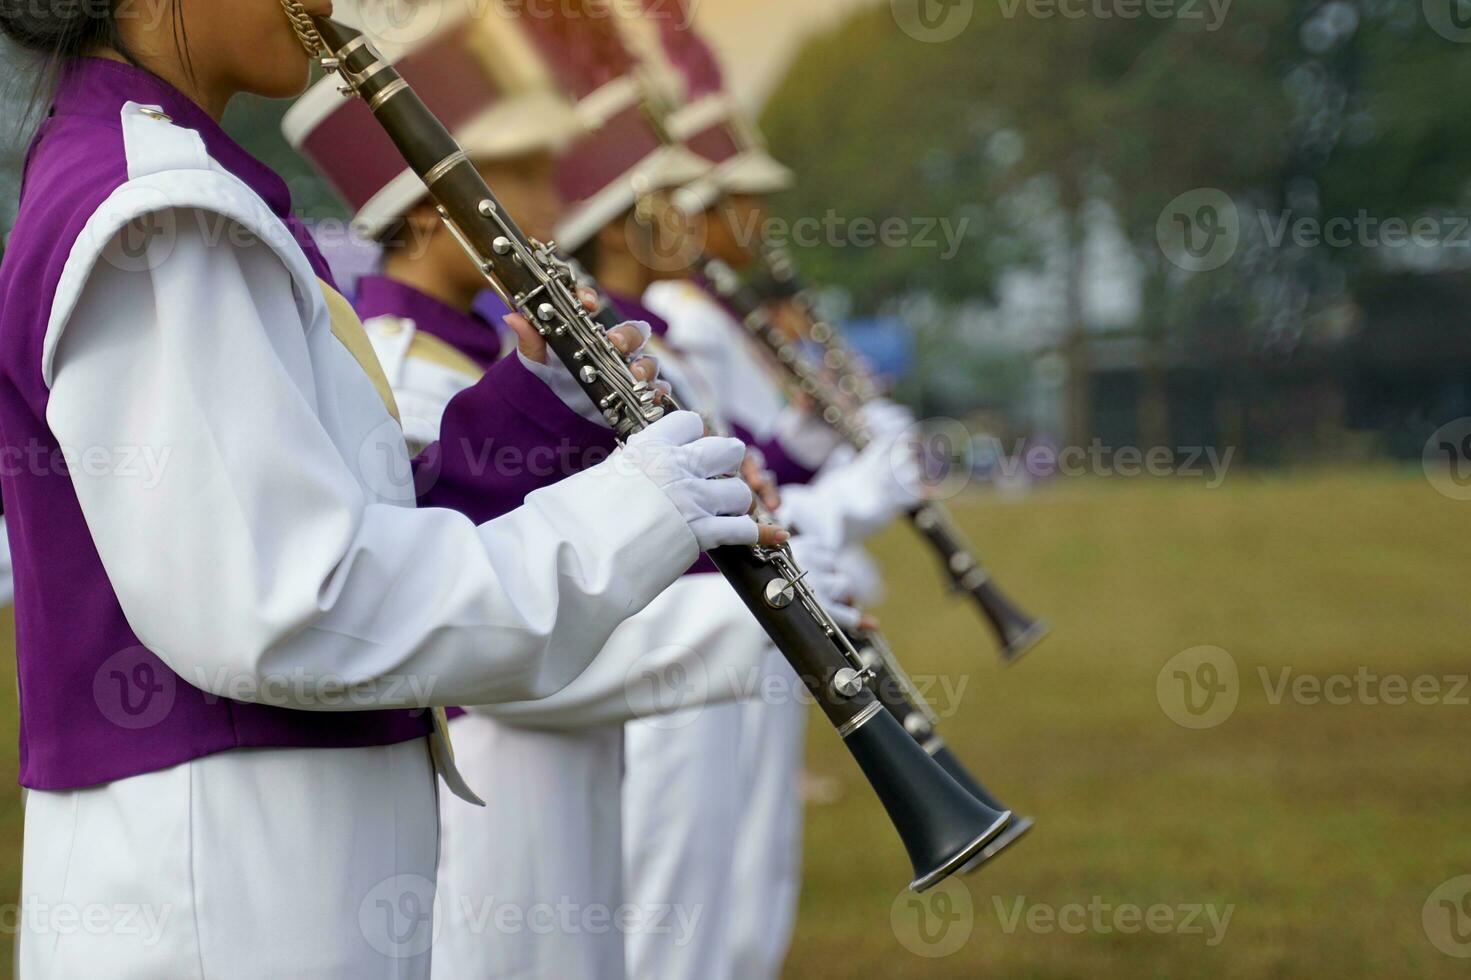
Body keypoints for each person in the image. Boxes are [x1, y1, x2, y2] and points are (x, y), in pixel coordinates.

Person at [0, 1, 776, 975]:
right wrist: (634, 515)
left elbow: (353, 516)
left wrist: (535, 409)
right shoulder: (159, 212)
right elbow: (287, 601)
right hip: (228, 895)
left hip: (266, 873)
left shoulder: (179, 186)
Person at [285, 7, 801, 976]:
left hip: (573, 732)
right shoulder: (393, 366)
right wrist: (739, 624)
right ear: (429, 203)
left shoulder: (502, 355)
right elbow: (461, 593)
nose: (546, 198)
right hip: (494, 756)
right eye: (512, 174)